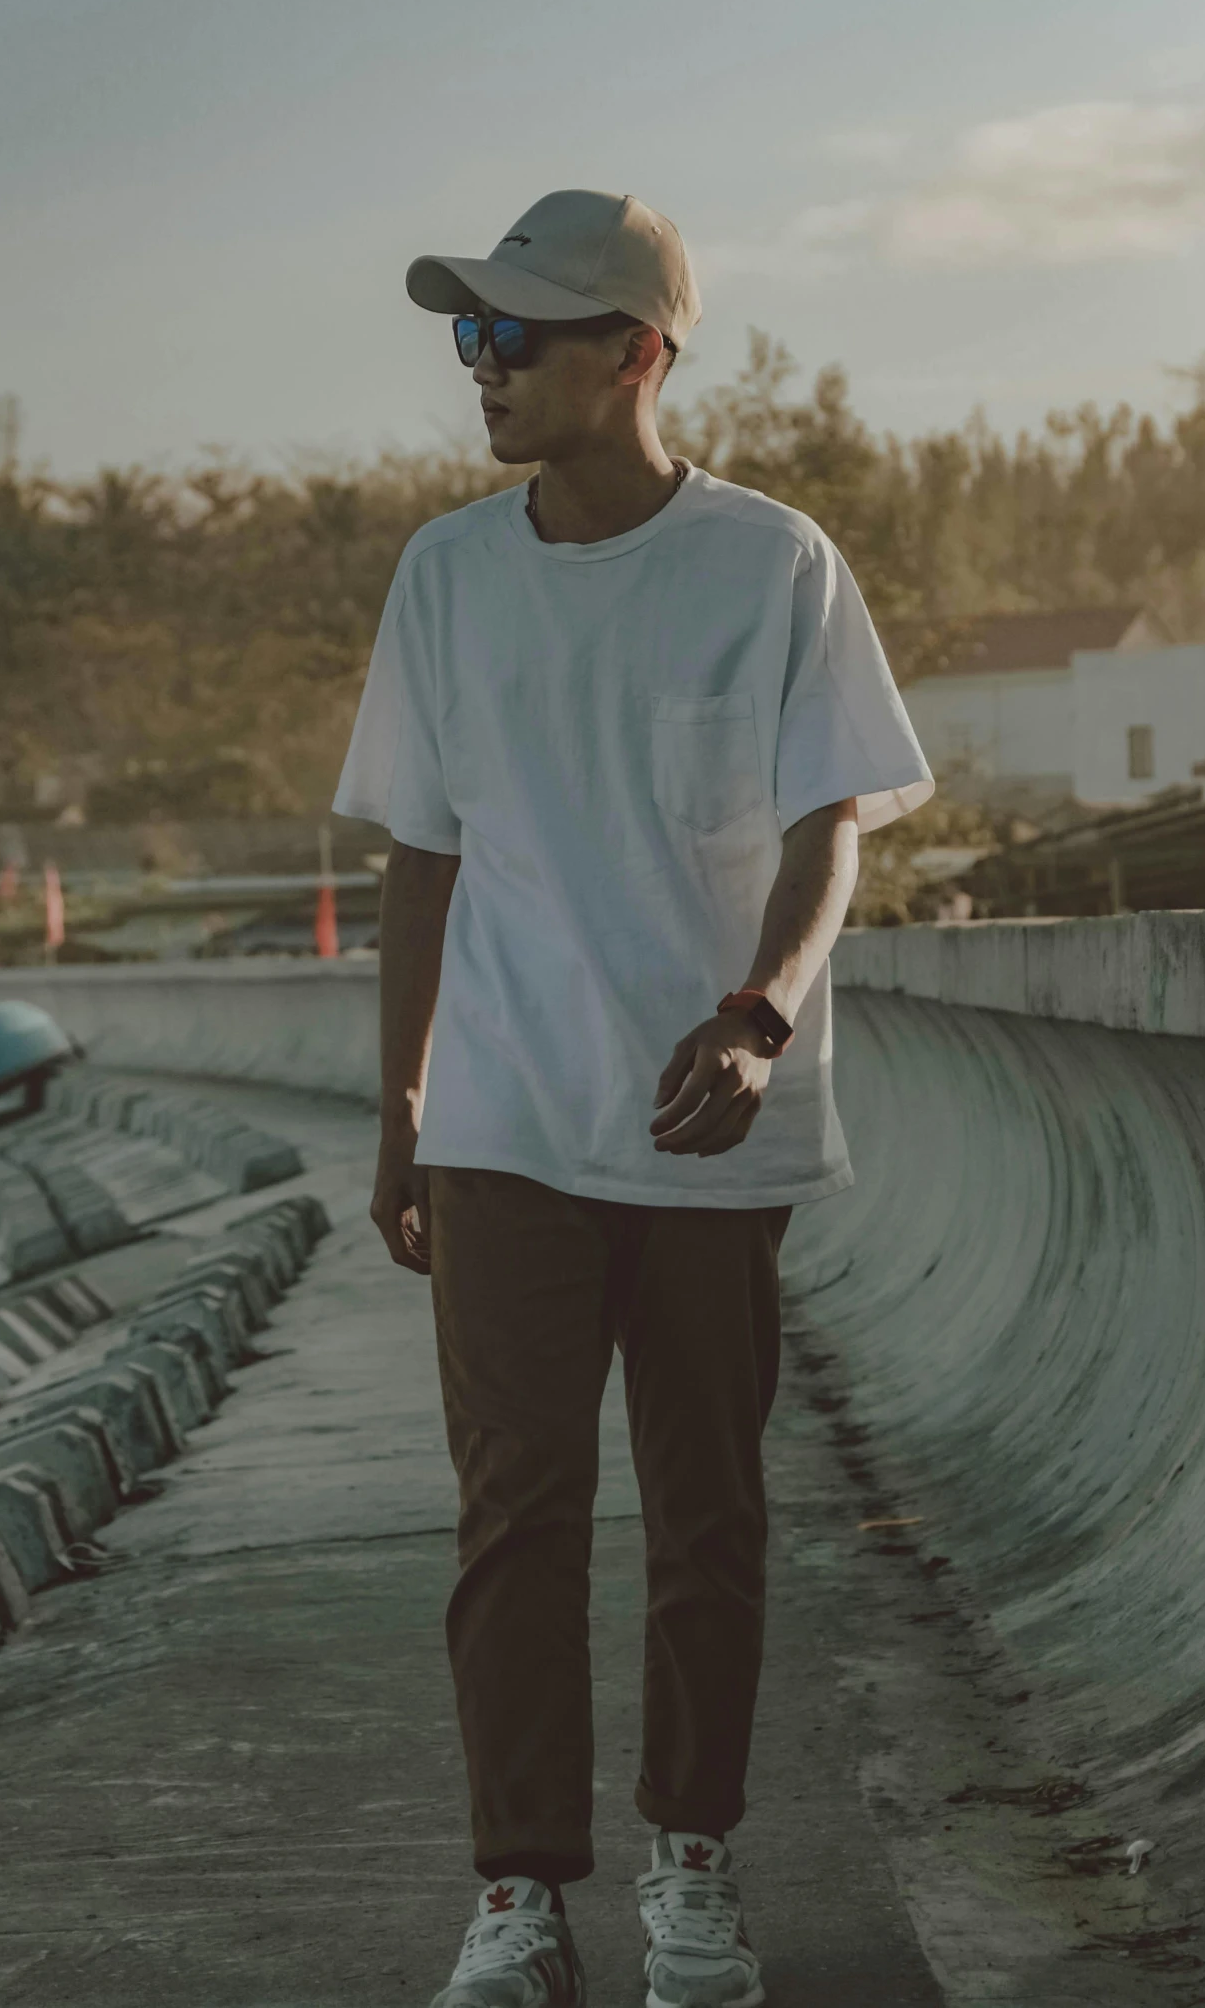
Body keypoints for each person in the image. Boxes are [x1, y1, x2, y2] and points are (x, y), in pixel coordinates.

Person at [333, 189, 931, 2008]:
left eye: (514, 335)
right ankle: (517, 1898)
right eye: (469, 336)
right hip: (506, 1119)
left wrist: (758, 1013)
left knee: (705, 1513)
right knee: (512, 1509)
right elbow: (419, 865)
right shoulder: (446, 572)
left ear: (636, 353)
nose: (482, 370)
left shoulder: (773, 563)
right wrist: (403, 1105)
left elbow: (833, 825)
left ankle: (693, 1865)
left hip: (698, 1125)